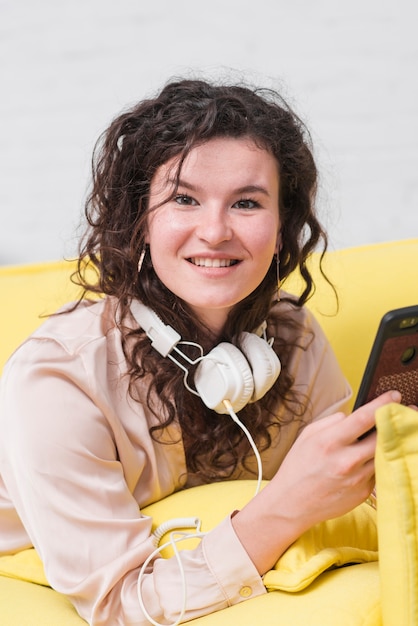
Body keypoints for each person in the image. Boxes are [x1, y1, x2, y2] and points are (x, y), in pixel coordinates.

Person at [0, 77, 398, 626]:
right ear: (141, 221)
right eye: (184, 199)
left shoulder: (292, 335)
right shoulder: (58, 379)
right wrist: (288, 507)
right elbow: (121, 605)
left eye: (247, 202)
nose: (214, 232)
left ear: (281, 228)